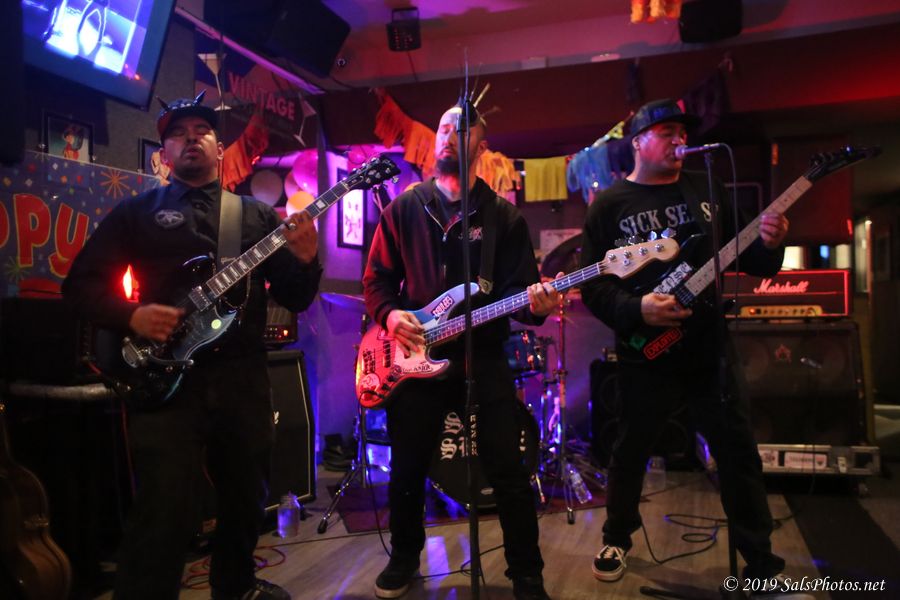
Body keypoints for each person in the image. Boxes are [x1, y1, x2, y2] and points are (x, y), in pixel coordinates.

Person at [62, 92, 322, 600]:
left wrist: (308, 259)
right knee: (163, 509)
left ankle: (236, 587)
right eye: (178, 135)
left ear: (220, 148)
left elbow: (295, 297)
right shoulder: (136, 213)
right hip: (164, 381)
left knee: (246, 499)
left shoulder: (255, 217)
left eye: (202, 131)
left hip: (242, 378)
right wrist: (132, 314)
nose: (191, 140)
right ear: (164, 154)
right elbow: (80, 287)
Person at [580, 99, 790, 585]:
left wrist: (771, 243)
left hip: (708, 346)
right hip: (645, 352)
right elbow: (594, 286)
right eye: (667, 131)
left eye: (683, 133)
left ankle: (760, 563)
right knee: (630, 449)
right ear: (638, 142)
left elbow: (751, 260)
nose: (680, 140)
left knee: (737, 451)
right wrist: (638, 309)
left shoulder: (706, 188)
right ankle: (617, 537)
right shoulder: (610, 205)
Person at [363, 102, 559, 600]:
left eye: (463, 128)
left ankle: (526, 572)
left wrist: (539, 305)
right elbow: (376, 281)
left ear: (481, 146)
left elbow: (523, 297)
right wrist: (391, 316)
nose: (450, 133)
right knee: (407, 467)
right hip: (414, 358)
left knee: (509, 470)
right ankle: (405, 557)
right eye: (444, 127)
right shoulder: (405, 208)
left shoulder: (504, 218)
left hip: (483, 358)